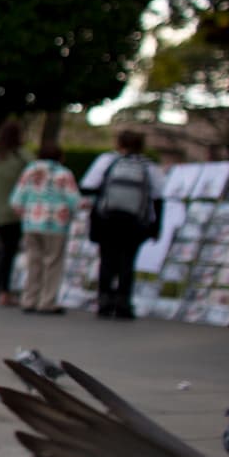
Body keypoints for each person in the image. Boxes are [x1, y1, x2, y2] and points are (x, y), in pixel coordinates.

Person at [81, 129, 164, 319]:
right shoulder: (149, 166)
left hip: (108, 219)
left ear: (119, 143)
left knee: (107, 259)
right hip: (134, 222)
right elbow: (158, 197)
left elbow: (88, 185)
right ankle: (123, 301)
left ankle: (104, 300)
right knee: (128, 261)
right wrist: (156, 225)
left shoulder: (107, 161)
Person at [9, 141, 80, 314]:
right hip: (56, 223)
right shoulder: (63, 174)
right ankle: (47, 301)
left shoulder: (30, 171)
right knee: (53, 262)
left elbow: (16, 199)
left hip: (31, 222)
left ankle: (29, 299)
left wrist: (25, 213)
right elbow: (74, 200)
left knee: (33, 261)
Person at [0, 120, 31, 305]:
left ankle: (4, 289)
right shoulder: (21, 156)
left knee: (6, 250)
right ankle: (18, 290)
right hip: (20, 211)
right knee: (17, 250)